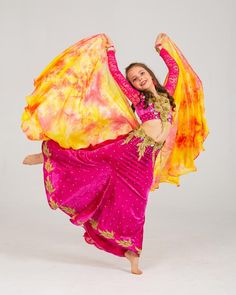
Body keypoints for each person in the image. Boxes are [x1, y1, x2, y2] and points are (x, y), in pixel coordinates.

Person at [21, 33, 208, 275]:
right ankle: (48, 155)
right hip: (128, 149)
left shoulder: (168, 93)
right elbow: (118, 77)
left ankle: (132, 254)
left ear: (150, 75)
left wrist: (161, 49)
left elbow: (174, 70)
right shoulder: (139, 99)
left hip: (144, 162)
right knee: (88, 159)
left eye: (142, 74)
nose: (139, 79)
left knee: (136, 206)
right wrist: (110, 52)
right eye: (135, 78)